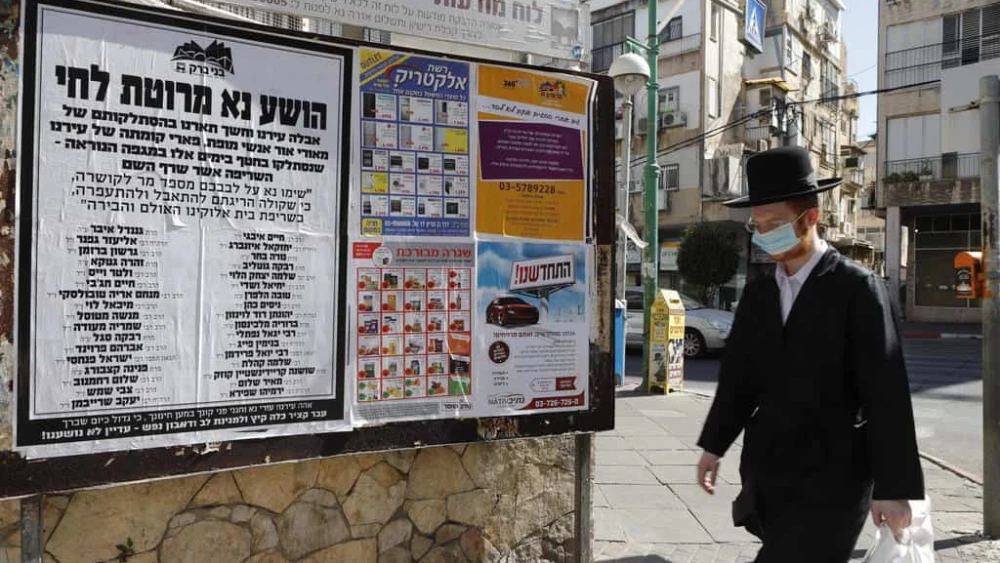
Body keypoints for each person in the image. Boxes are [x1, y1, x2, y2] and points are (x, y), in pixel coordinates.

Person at [695, 147, 925, 563]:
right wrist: (714, 445)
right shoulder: (760, 291)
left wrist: (894, 488)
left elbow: (886, 391)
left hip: (835, 477)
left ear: (811, 217)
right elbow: (739, 380)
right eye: (757, 224)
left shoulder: (857, 288)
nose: (764, 233)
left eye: (776, 223)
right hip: (769, 472)